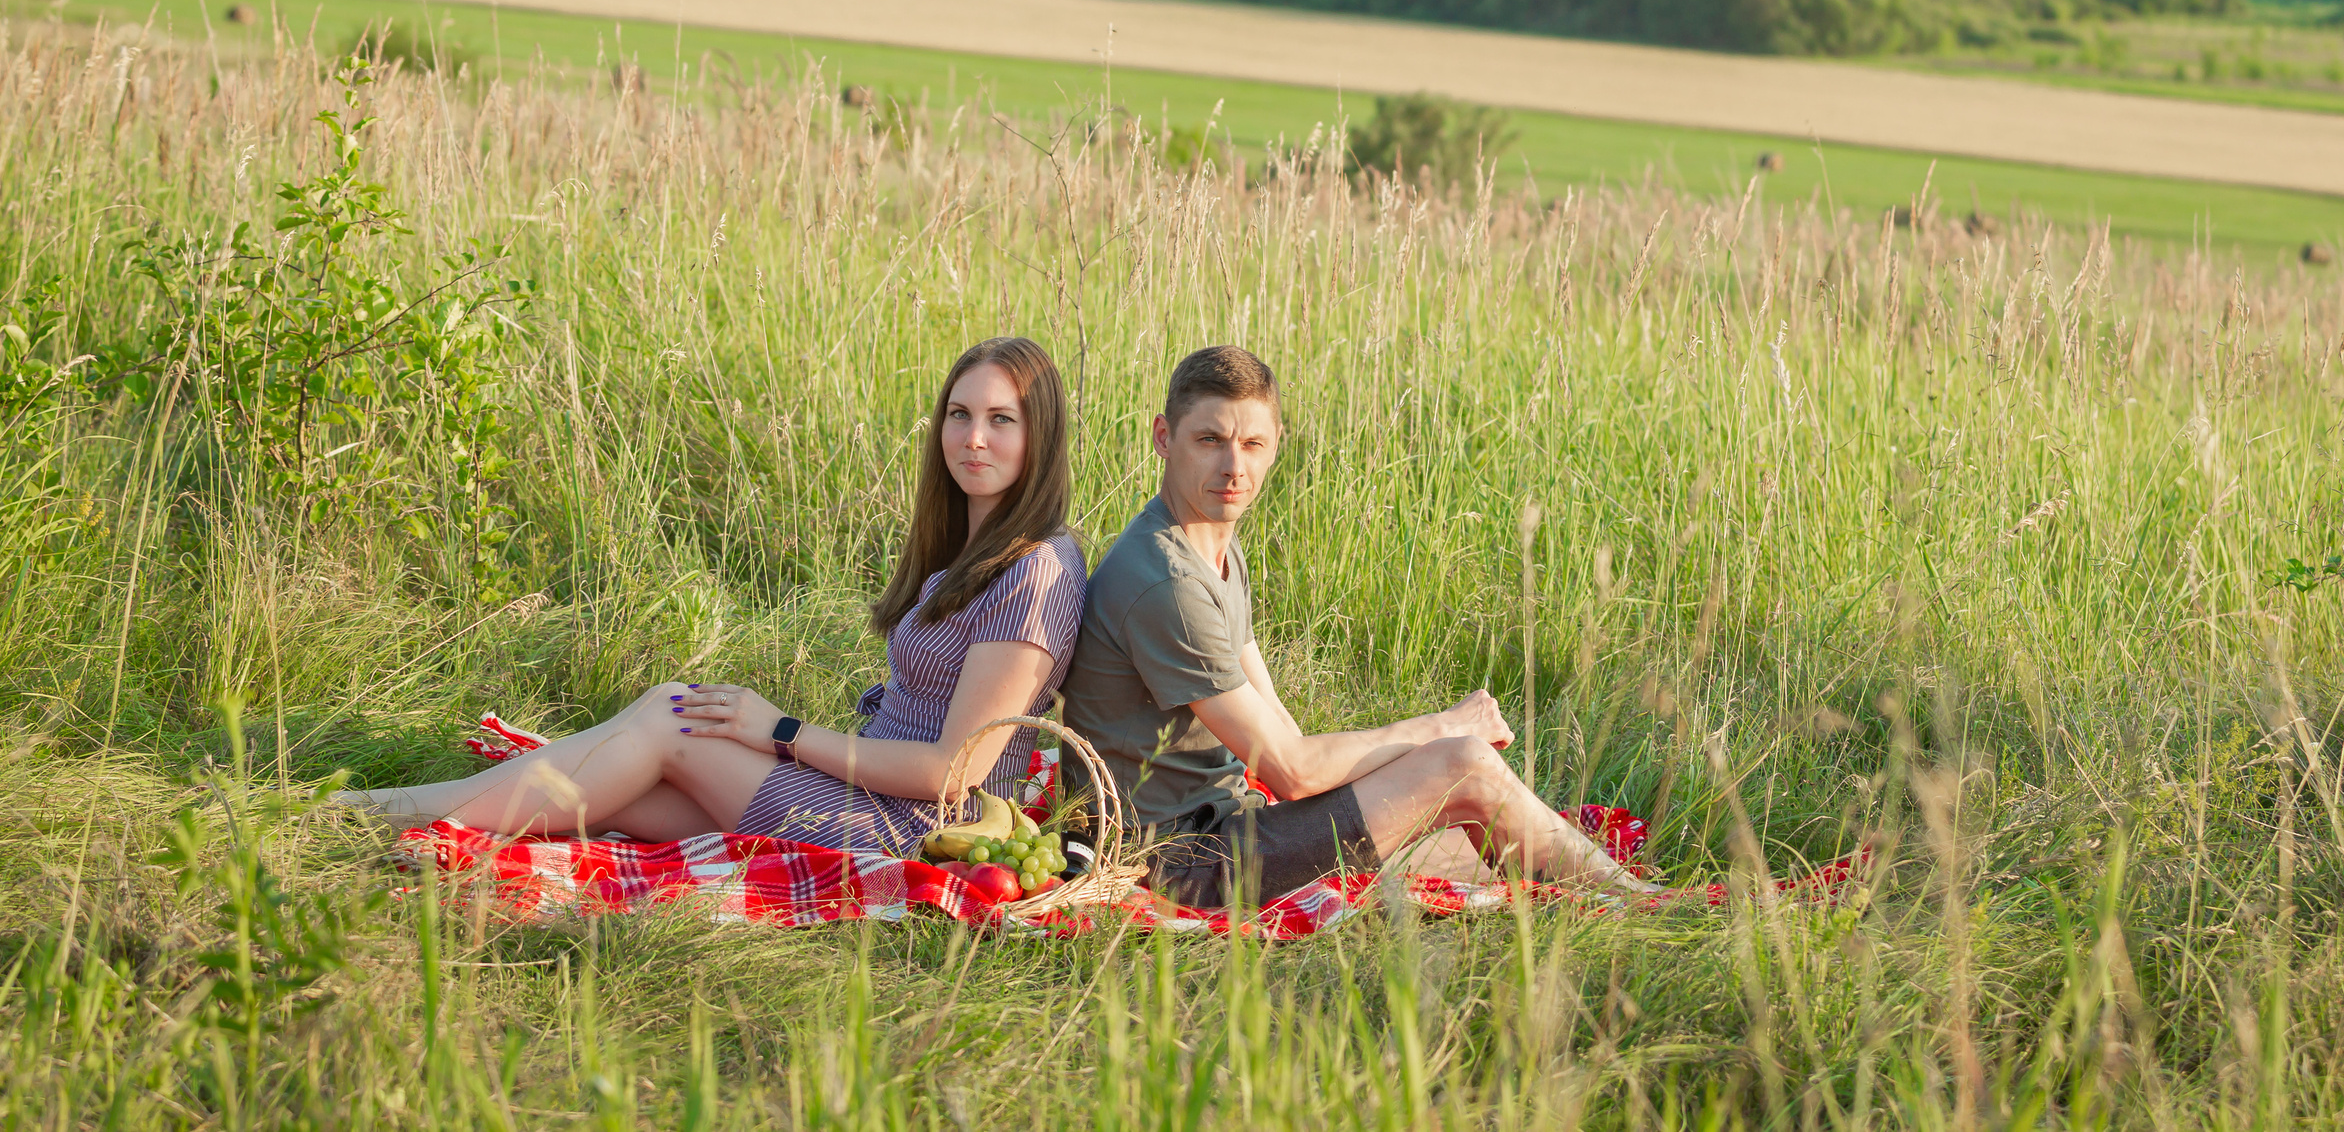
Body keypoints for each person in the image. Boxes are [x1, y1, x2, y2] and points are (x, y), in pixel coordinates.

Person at [338, 336, 1084, 853]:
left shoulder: (1036, 570)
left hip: (914, 827)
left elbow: (950, 771)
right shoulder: (969, 549)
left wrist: (782, 731)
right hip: (867, 793)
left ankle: (375, 810)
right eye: (960, 414)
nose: (973, 438)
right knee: (616, 783)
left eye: (1000, 420)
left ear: (1037, 434)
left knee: (667, 726)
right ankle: (386, 816)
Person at [1060, 345, 1648, 910]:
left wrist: (1397, 791)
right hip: (1177, 863)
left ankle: (1611, 896)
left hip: (1227, 820)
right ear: (1165, 438)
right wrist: (1441, 729)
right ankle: (1648, 908)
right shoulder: (1166, 582)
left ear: (1274, 447)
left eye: (1251, 444)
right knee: (1464, 765)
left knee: (1461, 829)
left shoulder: (1215, 546)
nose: (1233, 467)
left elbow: (1278, 725)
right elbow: (1290, 771)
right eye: (1209, 440)